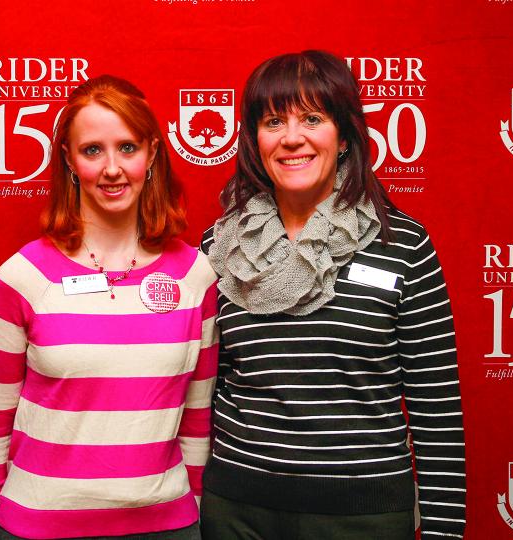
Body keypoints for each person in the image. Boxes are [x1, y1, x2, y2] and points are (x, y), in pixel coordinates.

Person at [200, 50, 465, 540]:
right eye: (273, 121)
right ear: (255, 140)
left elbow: (437, 410)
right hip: (235, 510)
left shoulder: (402, 245)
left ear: (344, 136)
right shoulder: (220, 247)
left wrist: (445, 531)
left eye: (313, 118)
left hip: (362, 514)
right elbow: (204, 391)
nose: (292, 138)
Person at [0, 75, 218, 540]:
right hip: (38, 527)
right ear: (67, 159)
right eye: (92, 150)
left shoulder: (195, 276)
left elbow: (197, 422)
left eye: (127, 148)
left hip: (166, 527)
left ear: (153, 153)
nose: (112, 169)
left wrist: (195, 514)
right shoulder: (23, 278)